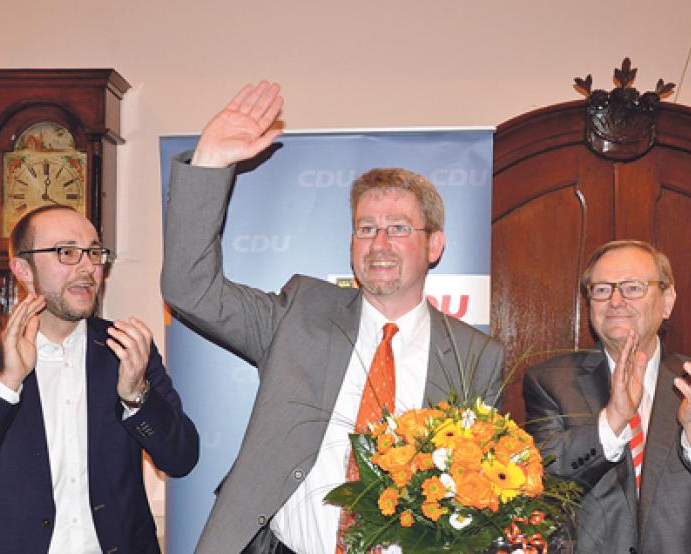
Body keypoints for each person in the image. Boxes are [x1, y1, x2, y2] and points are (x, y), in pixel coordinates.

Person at [161, 81, 504, 554]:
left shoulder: (475, 357)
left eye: (398, 228)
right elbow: (189, 289)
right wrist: (210, 164)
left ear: (434, 245)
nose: (379, 243)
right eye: (366, 228)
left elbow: (475, 491)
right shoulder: (301, 311)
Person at [0, 205, 199, 554]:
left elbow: (182, 458)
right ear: (23, 269)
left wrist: (136, 397)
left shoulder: (126, 350)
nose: (88, 267)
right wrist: (5, 386)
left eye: (95, 252)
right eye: (67, 252)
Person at [523, 239, 691, 554]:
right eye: (602, 289)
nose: (616, 301)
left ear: (668, 300)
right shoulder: (552, 383)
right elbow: (537, 494)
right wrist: (611, 422)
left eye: (632, 288)